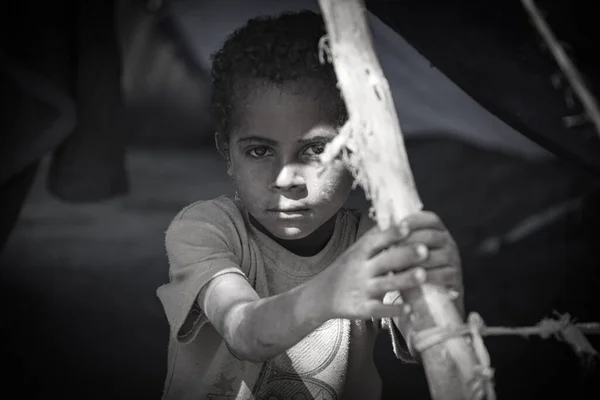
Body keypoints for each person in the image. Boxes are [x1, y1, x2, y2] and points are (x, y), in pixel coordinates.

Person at [156, 10, 464, 400]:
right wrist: (330, 291)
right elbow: (242, 330)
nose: (286, 178)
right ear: (227, 153)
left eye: (316, 149)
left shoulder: (374, 241)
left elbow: (429, 345)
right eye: (259, 150)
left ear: (358, 150)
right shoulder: (205, 230)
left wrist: (443, 304)